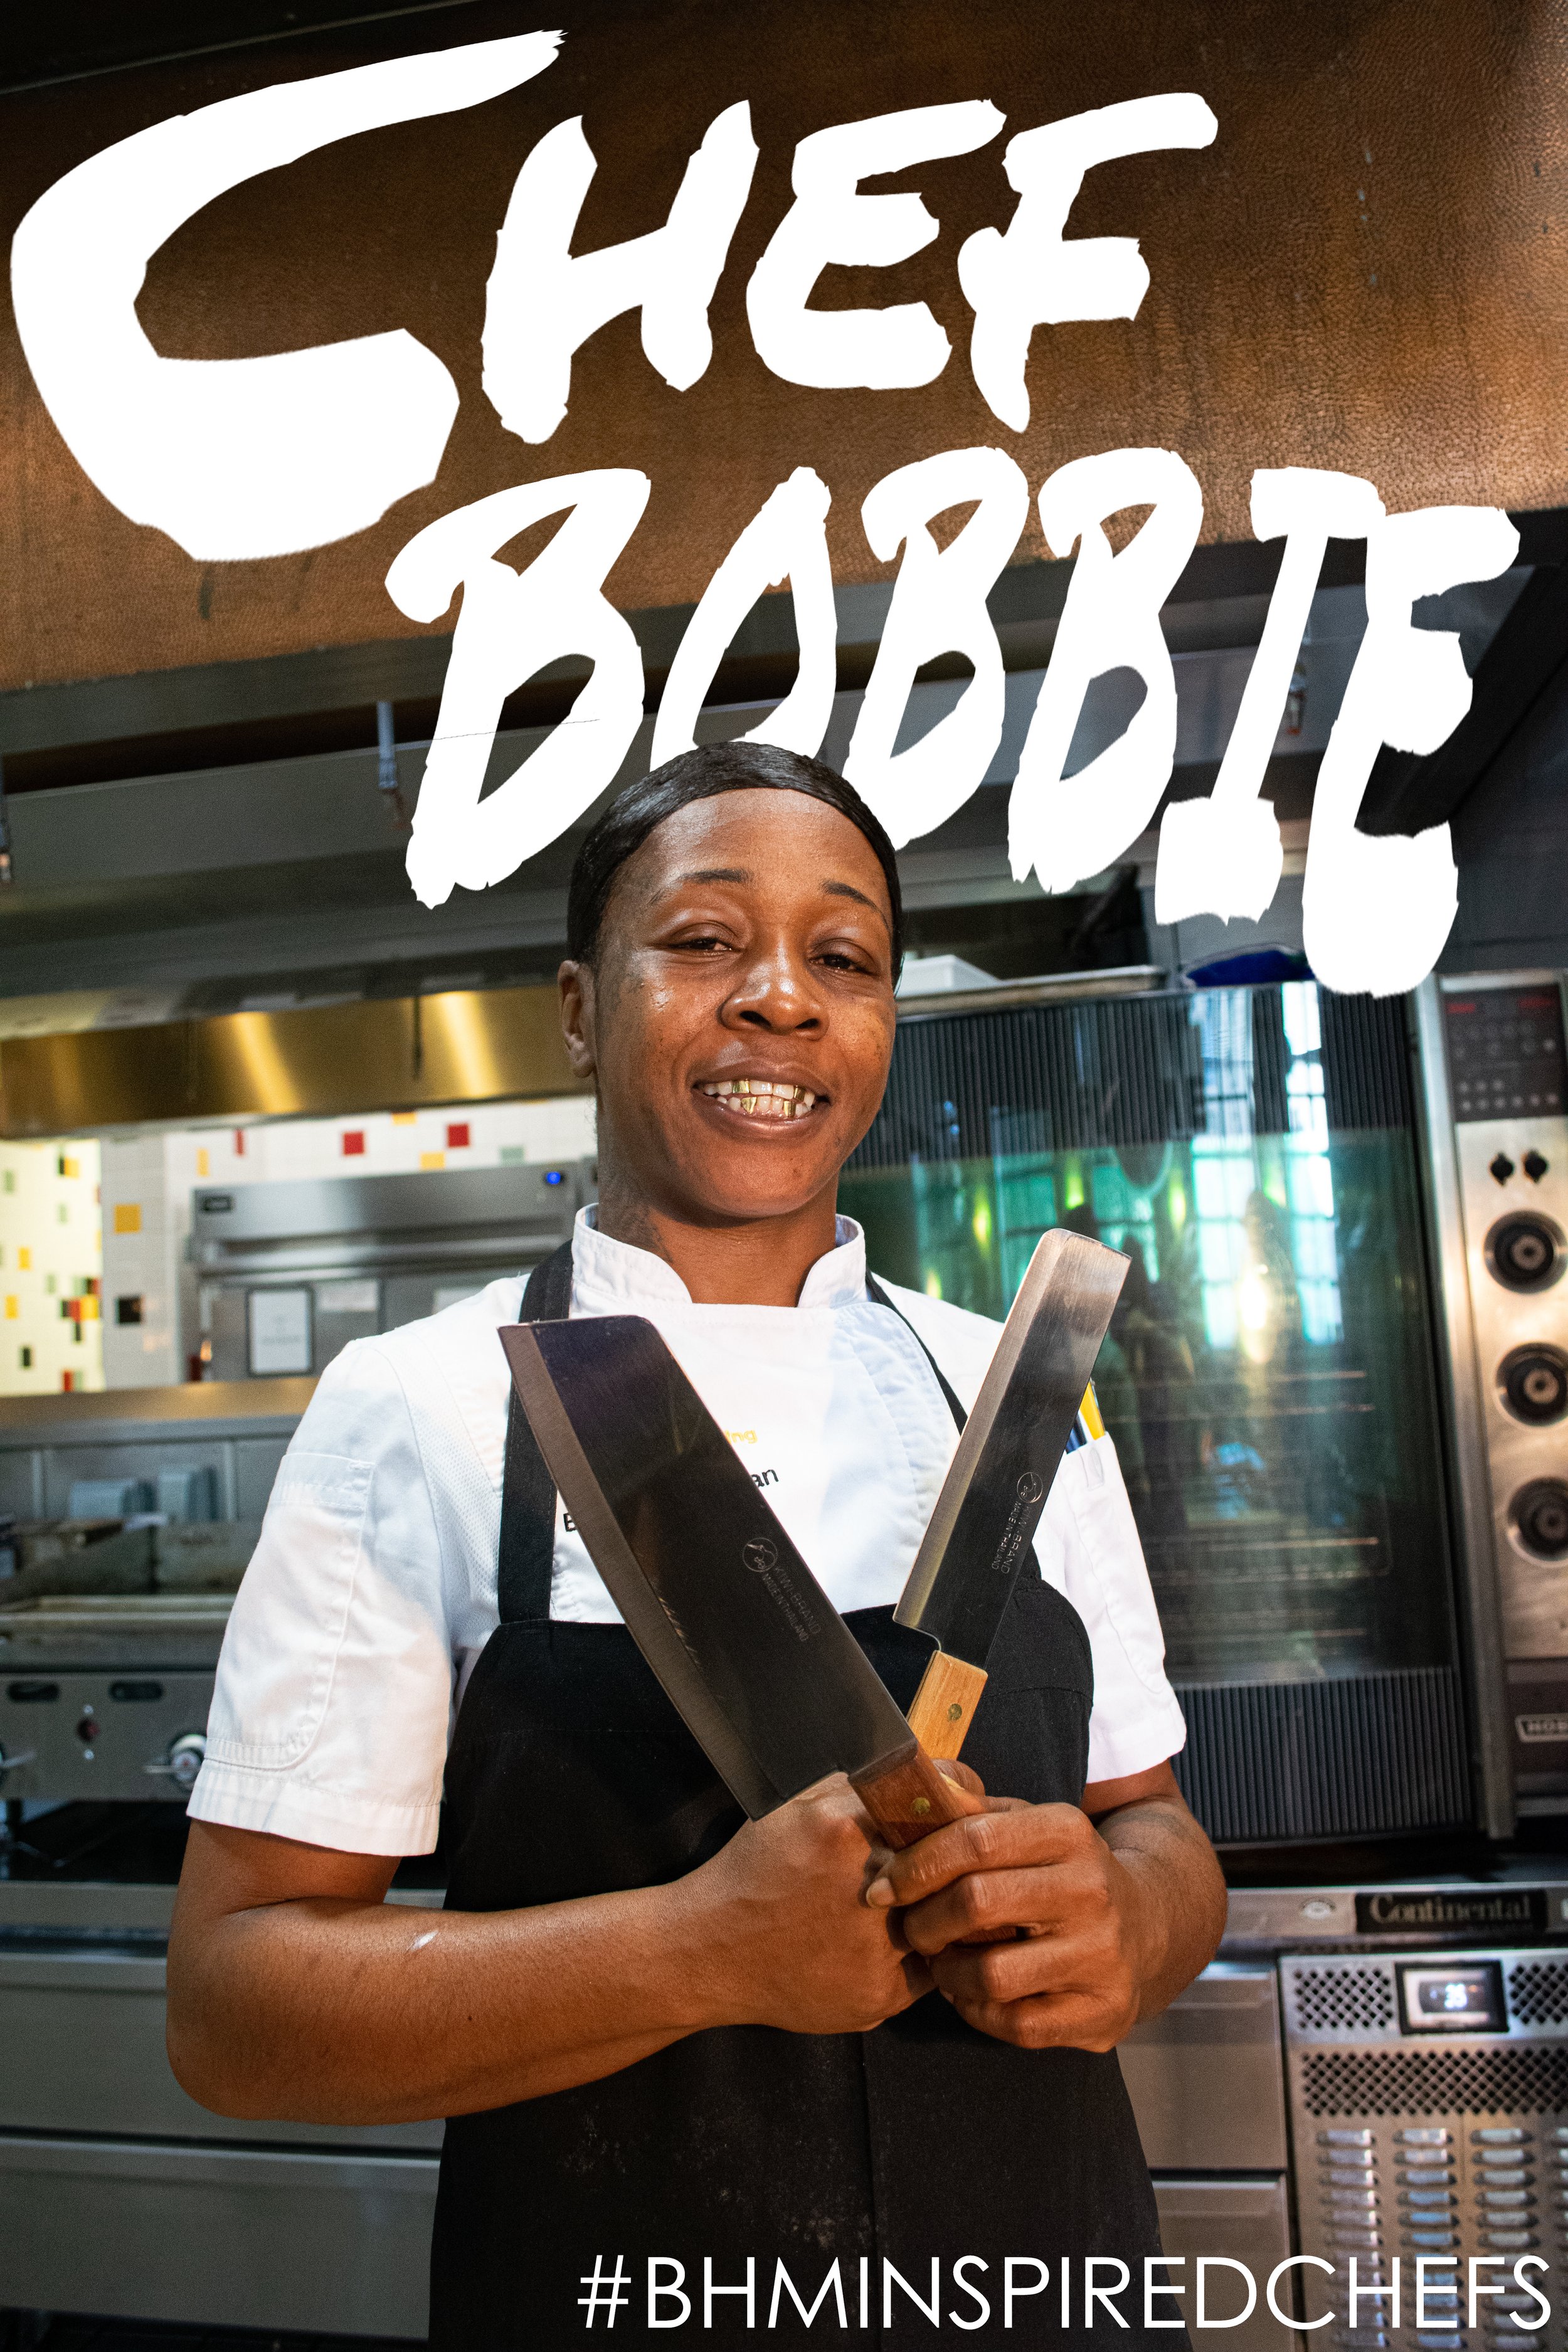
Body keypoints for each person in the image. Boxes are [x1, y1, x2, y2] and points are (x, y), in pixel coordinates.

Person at [167, 741, 1226, 2347]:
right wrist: (692, 1954)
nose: (781, 998)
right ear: (582, 1008)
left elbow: (1159, 1834)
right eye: (705, 939)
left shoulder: (1014, 1392)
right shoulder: (423, 1407)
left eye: (844, 956)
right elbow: (236, 2014)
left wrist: (1129, 1924)